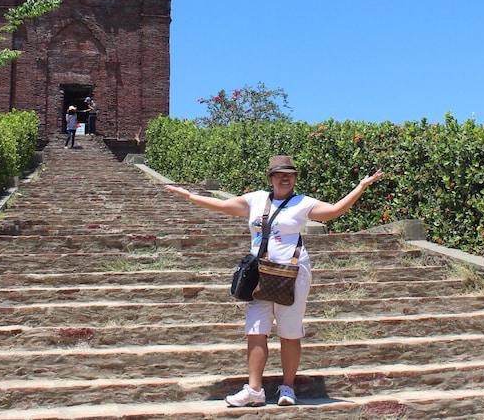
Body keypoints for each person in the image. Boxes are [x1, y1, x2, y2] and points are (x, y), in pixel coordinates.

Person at [165, 154, 385, 408]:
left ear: (294, 179)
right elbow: (223, 206)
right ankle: (254, 389)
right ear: (270, 177)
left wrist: (360, 187)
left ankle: (288, 387)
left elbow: (333, 212)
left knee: (289, 333)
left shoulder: (303, 203)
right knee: (256, 330)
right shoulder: (255, 199)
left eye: (289, 175)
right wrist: (190, 196)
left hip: (291, 274)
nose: (285, 178)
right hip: (260, 274)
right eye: (280, 174)